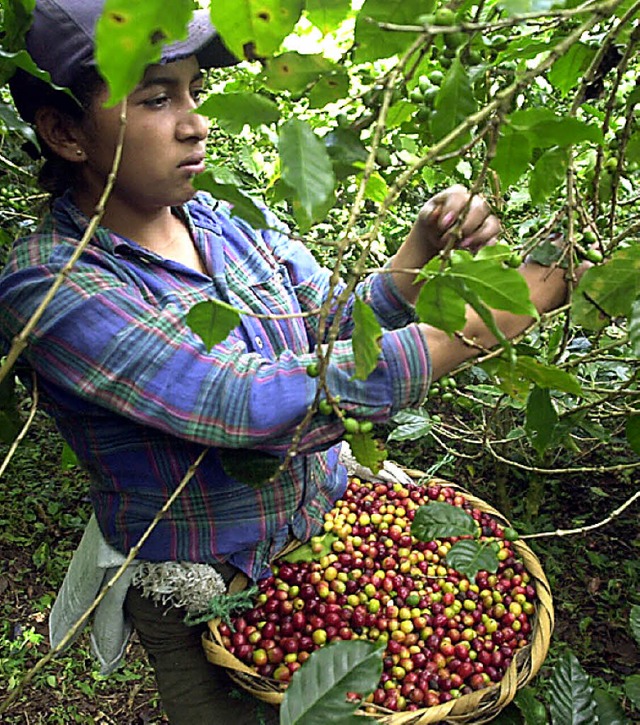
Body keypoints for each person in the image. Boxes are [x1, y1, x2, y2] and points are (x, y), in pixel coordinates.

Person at [0, 1, 575, 723]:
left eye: (192, 93)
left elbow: (329, 321)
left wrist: (414, 259)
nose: (195, 122)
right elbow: (237, 403)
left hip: (322, 537)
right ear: (64, 132)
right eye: (156, 98)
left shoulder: (224, 225)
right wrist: (483, 323)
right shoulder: (54, 285)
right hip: (209, 596)